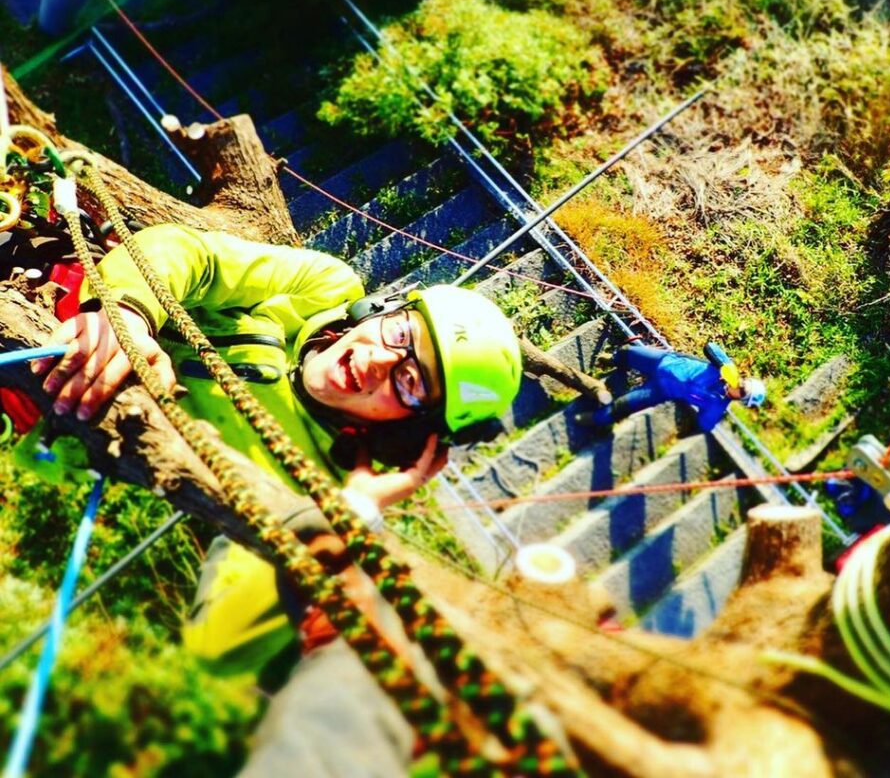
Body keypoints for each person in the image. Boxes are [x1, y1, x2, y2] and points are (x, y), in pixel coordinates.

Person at [28, 222, 523, 677]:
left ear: (410, 435)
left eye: (409, 381)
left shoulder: (310, 490)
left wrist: (352, 512)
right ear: (381, 310)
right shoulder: (323, 291)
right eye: (399, 334)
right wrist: (128, 314)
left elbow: (219, 645)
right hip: (48, 286)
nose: (377, 361)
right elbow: (196, 254)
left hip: (33, 420)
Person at [573, 341, 765, 433]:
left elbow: (703, 426)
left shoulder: (717, 406)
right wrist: (723, 364)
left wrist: (691, 421)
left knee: (621, 406)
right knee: (626, 352)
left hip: (661, 390)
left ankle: (592, 421)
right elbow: (709, 346)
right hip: (664, 362)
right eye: (744, 381)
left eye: (742, 390)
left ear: (740, 399)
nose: (739, 384)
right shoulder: (727, 370)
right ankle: (614, 362)